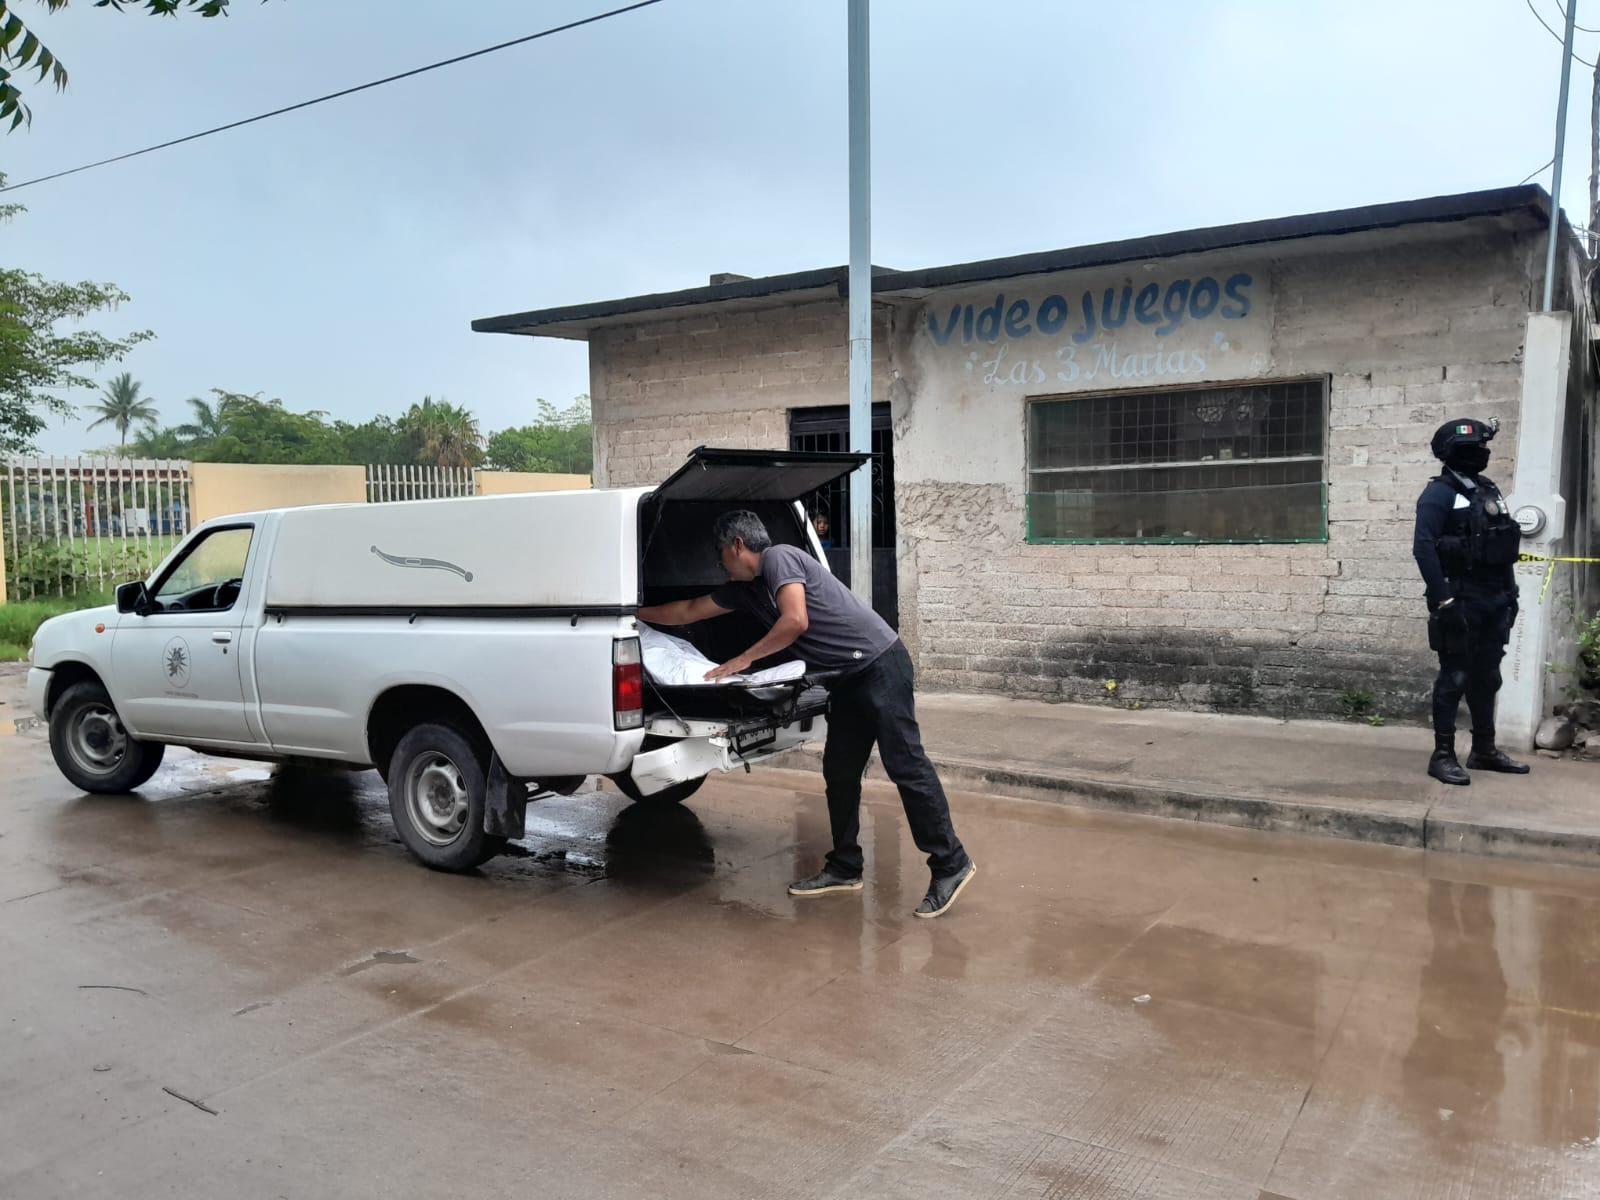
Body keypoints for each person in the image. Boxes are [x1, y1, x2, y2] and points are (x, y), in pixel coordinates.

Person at [636, 510, 976, 918]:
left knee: (906, 765)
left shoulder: (780, 557)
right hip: (846, 679)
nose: (718, 562)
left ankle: (950, 863)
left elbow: (795, 620)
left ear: (738, 546)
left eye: (720, 553)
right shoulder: (743, 590)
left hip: (880, 665)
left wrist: (743, 659)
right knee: (840, 770)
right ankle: (845, 868)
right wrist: (633, 613)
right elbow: (689, 610)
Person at [1412, 417, 1530, 785]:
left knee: (1488, 676)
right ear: (1452, 453)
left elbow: (1503, 547)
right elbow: (1423, 548)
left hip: (1494, 598)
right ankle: (1442, 755)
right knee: (1455, 676)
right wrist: (1443, 600)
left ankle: (1484, 750)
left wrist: (1510, 594)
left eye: (1482, 447)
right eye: (1472, 448)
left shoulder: (1488, 489)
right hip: (1459, 597)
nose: (1481, 453)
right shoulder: (1439, 494)